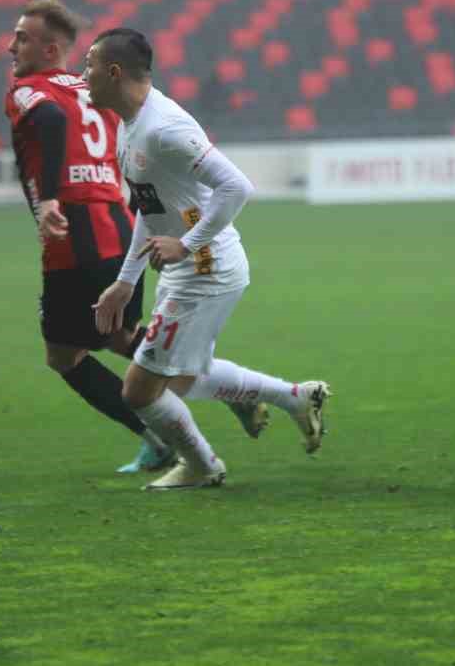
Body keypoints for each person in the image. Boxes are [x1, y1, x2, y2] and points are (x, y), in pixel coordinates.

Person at [86, 28, 331, 490]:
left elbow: (237, 186)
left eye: (90, 65)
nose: (84, 75)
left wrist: (187, 244)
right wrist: (125, 281)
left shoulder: (164, 128)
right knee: (179, 380)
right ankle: (296, 398)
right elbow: (151, 208)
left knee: (142, 390)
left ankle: (202, 465)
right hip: (189, 269)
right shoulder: (129, 124)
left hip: (206, 270)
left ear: (114, 72)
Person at [5, 0, 176, 474]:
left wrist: (52, 198)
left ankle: (157, 438)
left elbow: (53, 123)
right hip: (121, 223)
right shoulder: (93, 86)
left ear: (50, 47)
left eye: (21, 38)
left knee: (64, 353)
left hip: (76, 230)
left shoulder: (28, 89)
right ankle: (237, 390)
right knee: (124, 339)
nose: (11, 47)